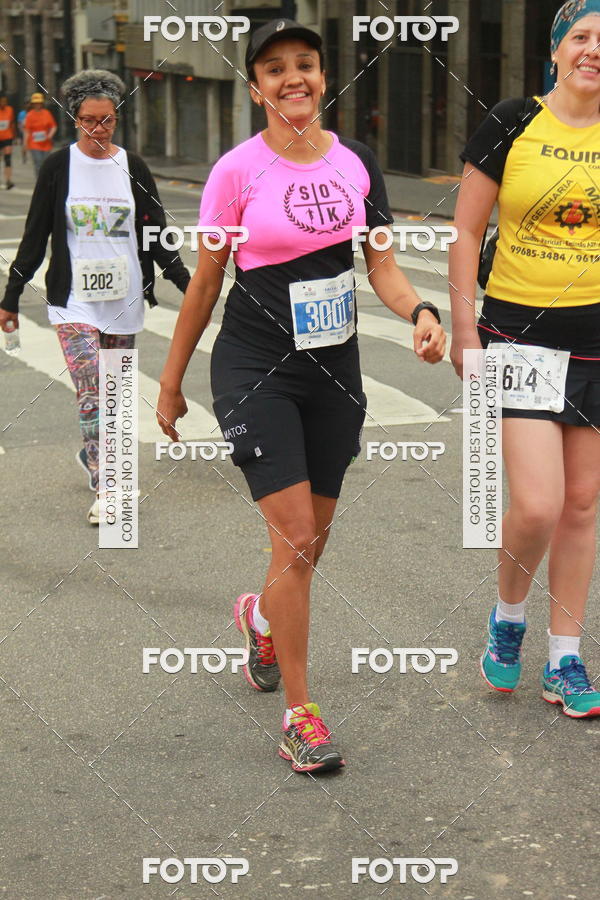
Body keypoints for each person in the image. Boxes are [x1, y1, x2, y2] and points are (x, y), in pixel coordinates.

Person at [157, 19, 446, 772]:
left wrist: (419, 309)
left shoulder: (356, 163)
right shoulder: (235, 172)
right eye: (276, 68)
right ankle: (299, 712)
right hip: (255, 370)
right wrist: (170, 380)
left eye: (306, 65)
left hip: (334, 378)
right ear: (255, 87)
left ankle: (259, 618)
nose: (294, 78)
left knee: (308, 546)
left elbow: (379, 266)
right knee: (291, 536)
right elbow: (208, 283)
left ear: (324, 77)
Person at [449, 0, 600, 717]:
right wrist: (463, 331)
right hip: (519, 336)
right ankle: (508, 620)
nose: (594, 50)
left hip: (597, 343)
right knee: (537, 504)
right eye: (582, 36)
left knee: (580, 504)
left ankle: (564, 658)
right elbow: (465, 231)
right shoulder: (513, 120)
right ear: (556, 50)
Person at [0, 70, 190, 523]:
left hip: (122, 302)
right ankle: (110, 488)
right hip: (73, 302)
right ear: (74, 119)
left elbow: (155, 233)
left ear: (116, 119)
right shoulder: (58, 167)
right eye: (89, 121)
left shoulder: (134, 167)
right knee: (92, 392)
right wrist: (10, 300)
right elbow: (34, 237)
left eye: (106, 121)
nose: (98, 130)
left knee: (117, 397)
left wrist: (187, 281)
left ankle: (96, 456)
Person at [24, 92, 56, 177]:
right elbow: (27, 131)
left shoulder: (47, 113)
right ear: (32, 104)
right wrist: (25, 145)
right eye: (35, 103)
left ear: (42, 103)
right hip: (34, 143)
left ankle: (46, 180)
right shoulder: (29, 115)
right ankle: (39, 181)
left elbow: (53, 126)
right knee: (38, 162)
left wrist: (50, 135)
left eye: (39, 103)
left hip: (46, 143)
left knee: (46, 163)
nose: (37, 105)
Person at [0, 95, 16, 189]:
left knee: (7, 159)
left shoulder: (10, 110)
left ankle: (8, 180)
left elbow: (12, 123)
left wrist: (15, 136)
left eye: (5, 101)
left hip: (7, 137)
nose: (3, 103)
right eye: (1, 101)